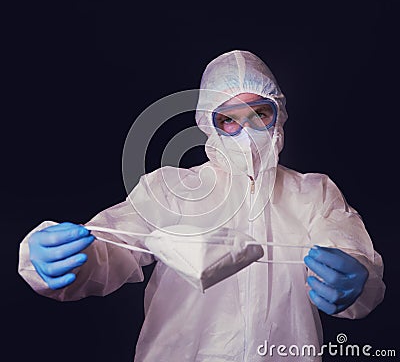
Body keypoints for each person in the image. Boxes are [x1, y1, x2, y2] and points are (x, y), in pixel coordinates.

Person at [18, 50, 385, 361]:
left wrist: (358, 278)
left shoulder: (313, 194)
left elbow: (351, 256)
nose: (248, 131)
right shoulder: (171, 190)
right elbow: (110, 249)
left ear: (279, 115)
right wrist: (63, 257)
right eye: (229, 120)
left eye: (260, 114)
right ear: (209, 124)